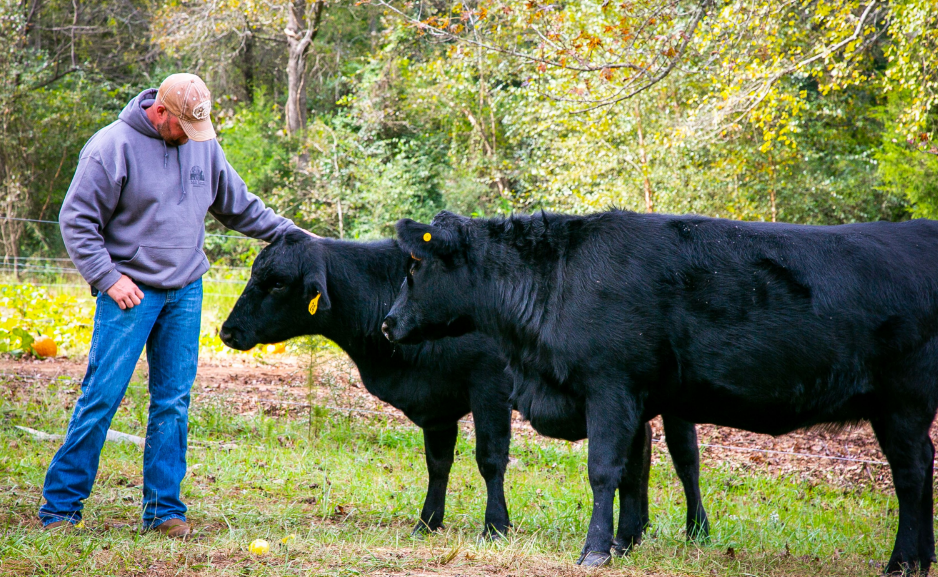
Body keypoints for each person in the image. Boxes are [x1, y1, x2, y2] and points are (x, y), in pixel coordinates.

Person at [39, 73, 298, 538]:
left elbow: (242, 207)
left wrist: (299, 238)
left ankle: (163, 511)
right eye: (183, 127)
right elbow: (76, 219)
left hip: (185, 292)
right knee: (101, 397)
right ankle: (60, 507)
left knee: (173, 403)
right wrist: (108, 277)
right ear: (161, 112)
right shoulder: (111, 147)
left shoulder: (200, 142)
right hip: (131, 293)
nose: (190, 137)